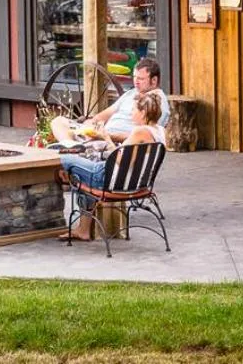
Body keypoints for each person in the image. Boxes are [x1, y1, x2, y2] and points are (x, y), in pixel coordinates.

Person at [59, 89, 166, 242]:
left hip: (108, 180)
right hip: (139, 184)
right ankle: (83, 230)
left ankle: (68, 185)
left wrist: (105, 138)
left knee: (64, 157)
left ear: (143, 113)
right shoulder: (160, 132)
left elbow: (119, 160)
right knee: (79, 169)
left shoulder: (139, 132)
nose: (131, 113)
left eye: (134, 109)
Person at [49, 57, 170, 145]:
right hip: (101, 135)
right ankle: (73, 147)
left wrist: (107, 136)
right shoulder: (131, 94)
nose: (136, 82)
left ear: (154, 80)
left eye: (141, 79)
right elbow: (104, 114)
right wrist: (91, 123)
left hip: (112, 143)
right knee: (58, 122)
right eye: (134, 77)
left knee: (66, 136)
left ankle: (73, 148)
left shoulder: (157, 103)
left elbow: (149, 137)